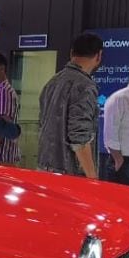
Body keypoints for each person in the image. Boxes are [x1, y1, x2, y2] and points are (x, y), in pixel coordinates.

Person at [37, 33, 103, 178]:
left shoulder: (52, 82)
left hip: (44, 167)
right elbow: (79, 138)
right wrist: (92, 177)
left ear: (71, 52)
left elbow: (42, 123)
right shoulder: (85, 86)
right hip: (69, 174)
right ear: (99, 56)